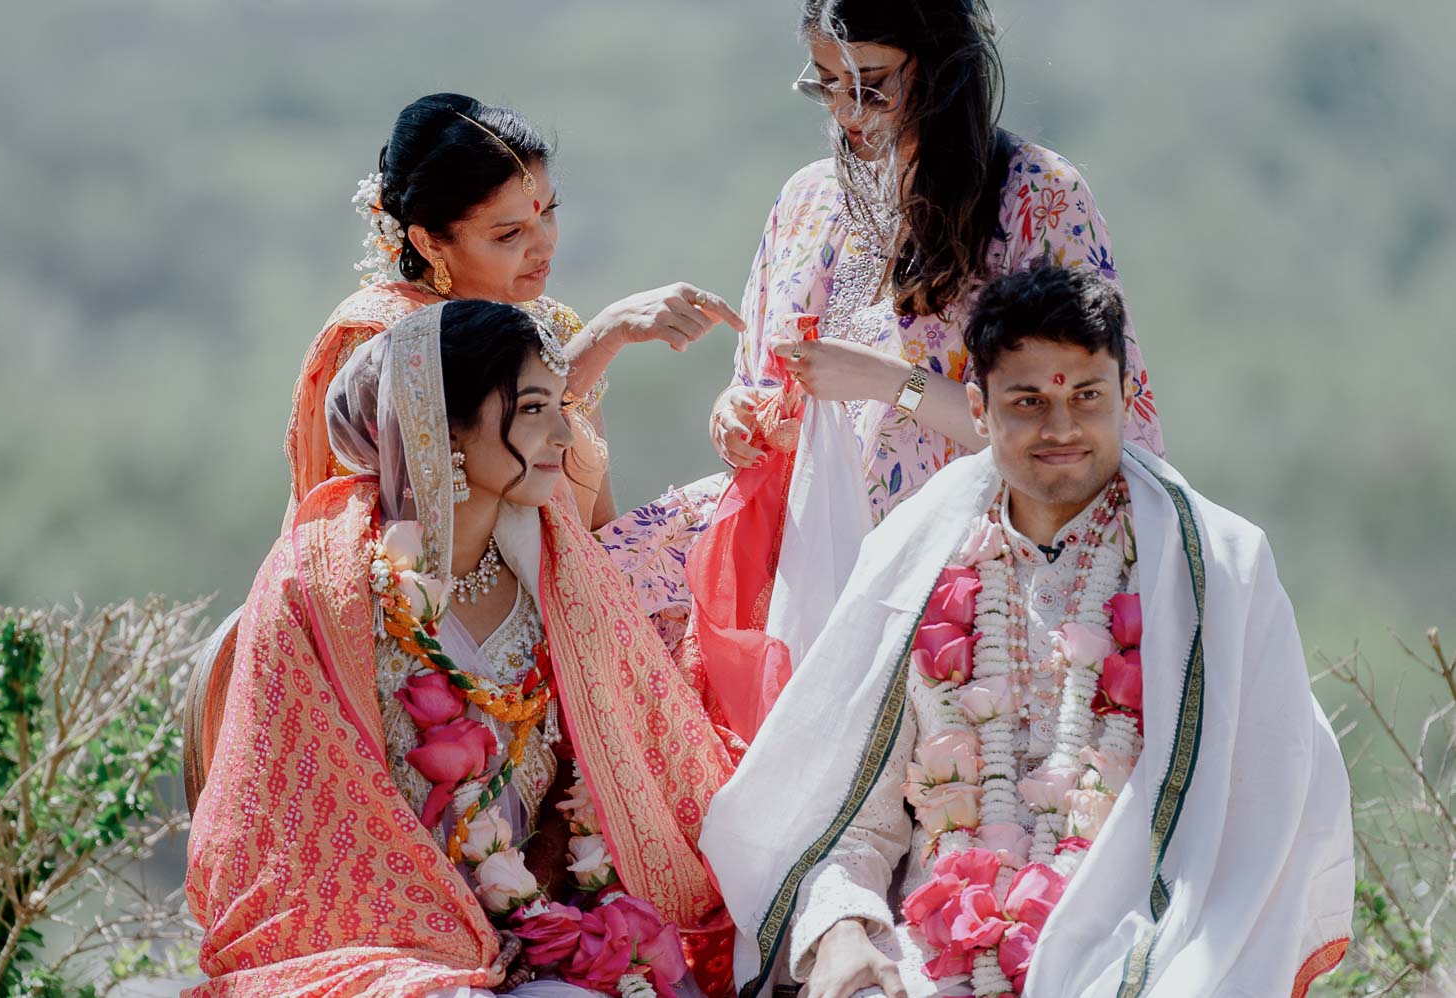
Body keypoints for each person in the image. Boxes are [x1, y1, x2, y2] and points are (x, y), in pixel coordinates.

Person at [700, 265, 1352, 998]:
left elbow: (1266, 817)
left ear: (1124, 398)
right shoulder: (914, 561)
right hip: (935, 960)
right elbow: (853, 819)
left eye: (1087, 397)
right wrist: (844, 932)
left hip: (1149, 952)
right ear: (978, 409)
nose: (1062, 427)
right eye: (1029, 401)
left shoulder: (1213, 569)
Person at [605, 0, 1166, 739]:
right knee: (604, 588)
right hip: (794, 535)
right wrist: (737, 415)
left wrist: (881, 381)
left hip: (959, 549)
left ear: (939, 64)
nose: (847, 113)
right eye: (827, 86)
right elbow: (754, 380)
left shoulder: (1035, 197)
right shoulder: (806, 199)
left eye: (870, 85)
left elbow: (1092, 427)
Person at [187, 301, 740, 997]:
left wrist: (538, 900)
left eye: (560, 407)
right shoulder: (322, 579)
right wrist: (454, 938)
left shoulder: (558, 570)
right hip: (386, 940)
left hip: (550, 925)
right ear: (441, 424)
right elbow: (295, 821)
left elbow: (612, 758)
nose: (566, 434)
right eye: (534, 408)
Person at [286, 92, 744, 531]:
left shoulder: (554, 323)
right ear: (428, 241)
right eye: (509, 234)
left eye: (549, 212)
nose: (544, 245)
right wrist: (601, 340)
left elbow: (595, 527)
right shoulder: (379, 337)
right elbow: (395, 536)